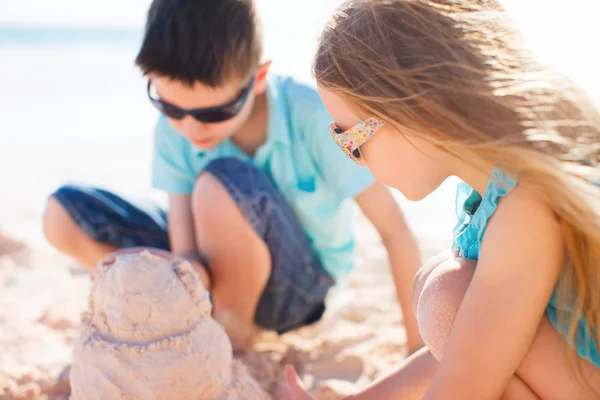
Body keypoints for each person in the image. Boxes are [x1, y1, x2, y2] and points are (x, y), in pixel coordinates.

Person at [41, 0, 423, 352]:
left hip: (298, 292)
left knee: (219, 182)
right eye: (169, 107)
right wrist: (168, 273)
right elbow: (187, 250)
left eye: (211, 113)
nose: (190, 129)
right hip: (213, 268)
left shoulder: (311, 115)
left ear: (257, 78)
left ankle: (231, 331)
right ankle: (162, 311)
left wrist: (416, 349)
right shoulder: (174, 131)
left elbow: (394, 231)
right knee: (65, 213)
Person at [285, 0, 600, 398]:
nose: (356, 161)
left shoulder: (527, 208)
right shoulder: (498, 185)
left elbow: (462, 385)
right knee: (443, 291)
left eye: (350, 140)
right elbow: (473, 346)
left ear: (415, 110)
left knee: (446, 294)